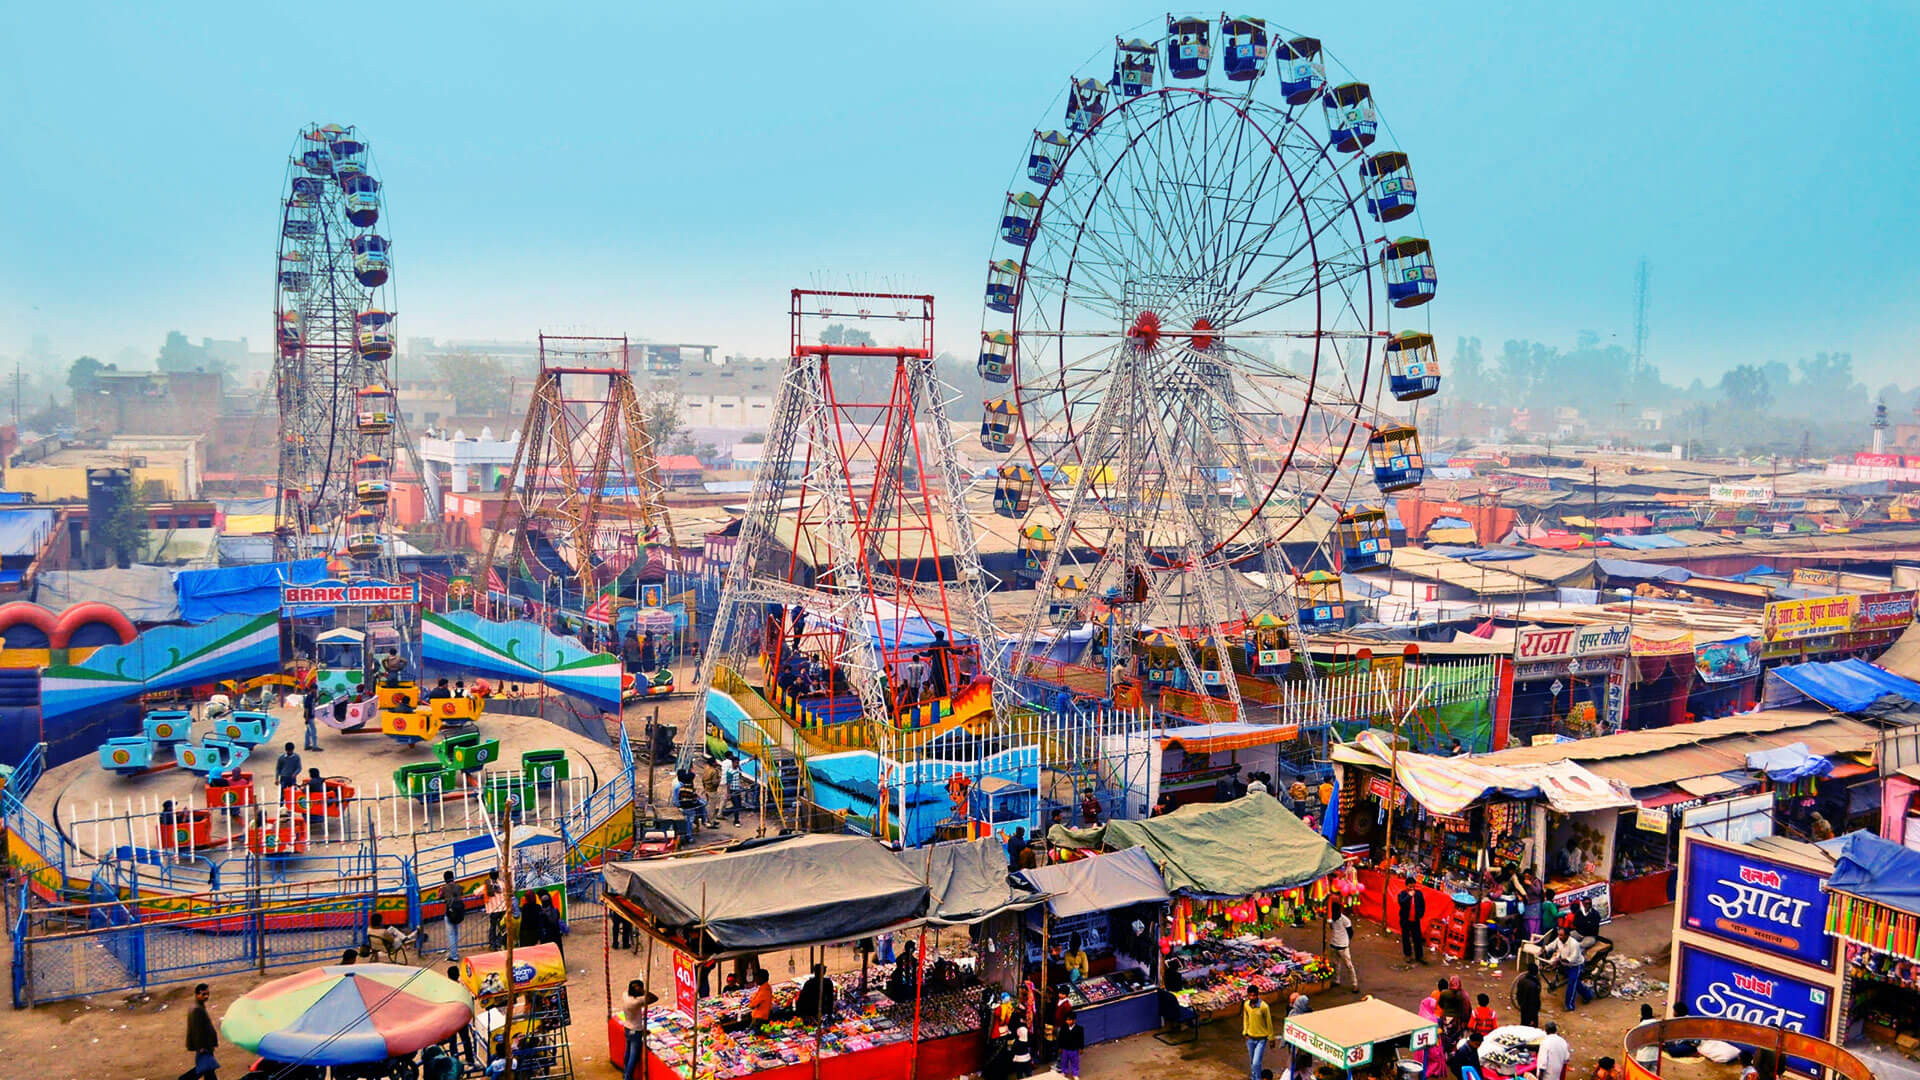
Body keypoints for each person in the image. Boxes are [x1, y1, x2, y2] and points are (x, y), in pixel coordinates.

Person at [618, 979, 658, 1080]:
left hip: (627, 1028)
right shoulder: (637, 1002)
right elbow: (654, 998)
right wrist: (644, 991)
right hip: (636, 1030)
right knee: (633, 1056)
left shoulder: (625, 995)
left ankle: (625, 1071)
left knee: (628, 1051)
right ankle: (628, 1077)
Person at [179, 982, 220, 1080]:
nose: (206, 996)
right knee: (205, 1069)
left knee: (207, 1069)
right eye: (203, 994)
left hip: (205, 1044)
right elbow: (197, 1031)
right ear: (197, 994)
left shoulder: (198, 1006)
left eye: (207, 994)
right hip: (204, 1045)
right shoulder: (197, 1009)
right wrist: (201, 1047)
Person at [1552, 926, 1592, 1011]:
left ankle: (1569, 1005)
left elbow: (1572, 960)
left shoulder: (1574, 944)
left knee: (1571, 984)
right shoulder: (1559, 940)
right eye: (1559, 935)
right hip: (1565, 964)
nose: (1559, 937)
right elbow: (1551, 946)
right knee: (1575, 982)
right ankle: (1588, 995)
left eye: (1561, 935)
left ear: (1567, 936)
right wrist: (1543, 949)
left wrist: (1559, 960)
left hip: (1575, 965)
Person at [1326, 902, 1358, 990]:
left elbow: (1350, 932)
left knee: (1349, 965)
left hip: (1343, 946)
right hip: (1334, 944)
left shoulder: (1345, 920)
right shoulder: (1331, 919)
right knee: (1335, 964)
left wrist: (1345, 941)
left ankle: (1354, 984)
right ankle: (1336, 980)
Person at [1243, 993, 1273, 1080]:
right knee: (1253, 1062)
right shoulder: (1246, 1005)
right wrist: (1245, 1032)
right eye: (1250, 996)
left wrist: (1271, 1038)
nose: (1252, 998)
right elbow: (1246, 1018)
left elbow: (1269, 1022)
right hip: (1250, 1038)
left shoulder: (1264, 1007)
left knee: (1256, 1062)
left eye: (1254, 995)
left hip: (1261, 1039)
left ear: (1257, 995)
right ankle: (1254, 1078)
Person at [1398, 876, 1428, 964]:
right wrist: (1409, 896)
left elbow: (1422, 905)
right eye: (1410, 887)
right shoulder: (1402, 894)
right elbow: (1401, 903)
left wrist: (1420, 915)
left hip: (1415, 920)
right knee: (1406, 938)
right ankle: (1408, 955)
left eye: (1413, 887)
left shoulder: (1419, 894)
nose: (1412, 889)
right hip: (1405, 920)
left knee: (1417, 938)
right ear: (1406, 886)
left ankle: (1419, 956)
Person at [439, 870, 465, 962]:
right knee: (456, 934)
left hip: (449, 913)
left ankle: (454, 956)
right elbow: (461, 894)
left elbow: (440, 897)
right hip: (458, 913)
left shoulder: (444, 889)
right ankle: (454, 952)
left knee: (451, 935)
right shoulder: (459, 887)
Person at [1629, 1003, 1660, 1068]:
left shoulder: (1640, 1026)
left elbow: (1637, 1042)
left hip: (1643, 1057)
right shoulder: (1658, 1024)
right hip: (1655, 1056)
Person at [483, 869, 507, 949]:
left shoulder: (487, 884)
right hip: (502, 908)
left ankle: (493, 945)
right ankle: (500, 942)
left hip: (493, 910)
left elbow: (476, 892)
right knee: (502, 927)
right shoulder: (502, 883)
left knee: (493, 927)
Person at [1056, 1011, 1083, 1080]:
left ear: (1074, 1020)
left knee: (1075, 1062)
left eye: (1069, 1020)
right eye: (1067, 1020)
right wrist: (1060, 1047)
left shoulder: (1079, 1029)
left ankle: (1075, 1074)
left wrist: (1081, 1048)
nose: (1068, 1021)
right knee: (1064, 1061)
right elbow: (1060, 1038)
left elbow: (1081, 1039)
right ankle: (1064, 1072)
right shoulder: (1063, 1028)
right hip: (1065, 1049)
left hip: (1074, 1049)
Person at [1515, 961, 1543, 1029]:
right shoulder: (1534, 985)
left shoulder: (1521, 980)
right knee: (1532, 1028)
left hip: (1523, 1007)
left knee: (1523, 1024)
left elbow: (1518, 994)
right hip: (1531, 1010)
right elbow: (1534, 1001)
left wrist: (1520, 1004)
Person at [719, 753, 743, 826]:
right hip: (733, 790)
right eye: (736, 763)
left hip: (737, 789)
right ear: (732, 763)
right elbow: (728, 783)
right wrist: (728, 793)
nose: (737, 764)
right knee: (736, 806)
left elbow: (740, 775)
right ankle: (736, 821)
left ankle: (727, 812)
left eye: (738, 763)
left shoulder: (738, 769)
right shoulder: (729, 772)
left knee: (739, 805)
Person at [699, 755, 723, 827]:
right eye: (715, 762)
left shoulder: (706, 769)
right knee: (712, 807)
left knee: (708, 806)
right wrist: (719, 779)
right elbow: (715, 782)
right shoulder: (714, 771)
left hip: (707, 789)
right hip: (712, 790)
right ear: (713, 763)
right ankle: (711, 822)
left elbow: (703, 780)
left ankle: (710, 820)